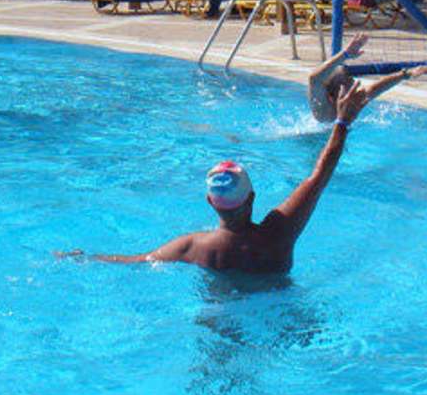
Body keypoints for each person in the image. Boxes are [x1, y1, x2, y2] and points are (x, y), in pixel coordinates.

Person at [66, 79, 379, 274]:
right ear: (251, 198)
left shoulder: (192, 247)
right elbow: (319, 176)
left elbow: (139, 261)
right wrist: (342, 122)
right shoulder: (278, 234)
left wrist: (89, 258)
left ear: (210, 202)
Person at [307, 34, 427, 123]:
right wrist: (345, 54)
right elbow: (314, 79)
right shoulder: (323, 111)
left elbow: (376, 88)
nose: (355, 84)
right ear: (336, 91)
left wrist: (406, 74)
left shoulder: (350, 101)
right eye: (348, 81)